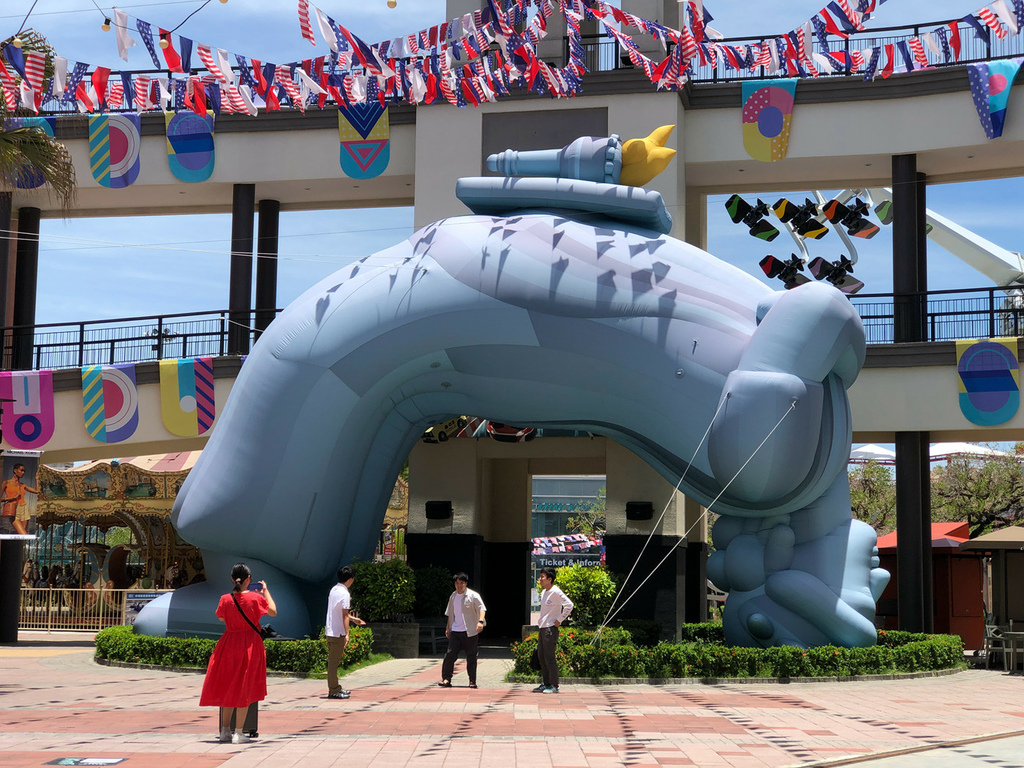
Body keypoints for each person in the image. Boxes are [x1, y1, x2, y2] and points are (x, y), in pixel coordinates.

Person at [199, 563, 277, 744]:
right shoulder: (255, 598)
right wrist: (265, 591)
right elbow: (273, 611)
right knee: (245, 686)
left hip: (228, 644)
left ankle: (225, 730)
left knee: (228, 686)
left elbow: (220, 617)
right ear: (248, 579)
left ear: (232, 579)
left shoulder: (225, 599)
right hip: (250, 645)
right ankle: (239, 732)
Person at [439, 572, 487, 688]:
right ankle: (446, 679)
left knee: (471, 656)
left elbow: (482, 609)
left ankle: (472, 681)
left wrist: (480, 621)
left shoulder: (473, 595)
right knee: (450, 655)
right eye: (457, 583)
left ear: (465, 583)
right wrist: (448, 628)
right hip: (455, 630)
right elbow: (450, 614)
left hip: (470, 631)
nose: (459, 585)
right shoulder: (453, 596)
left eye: (461, 583)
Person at [324, 564, 366, 700]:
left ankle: (336, 688)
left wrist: (353, 619)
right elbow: (344, 615)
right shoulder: (345, 593)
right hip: (337, 632)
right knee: (333, 663)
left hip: (331, 630)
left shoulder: (334, 590)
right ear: (350, 579)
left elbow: (340, 613)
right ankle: (334, 690)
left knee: (333, 662)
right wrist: (347, 634)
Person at [534, 567, 573, 694]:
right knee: (541, 656)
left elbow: (569, 605)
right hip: (542, 627)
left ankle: (554, 685)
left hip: (550, 628)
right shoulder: (544, 592)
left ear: (549, 579)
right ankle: (546, 683)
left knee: (550, 658)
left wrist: (560, 619)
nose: (540, 579)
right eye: (540, 576)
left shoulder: (556, 591)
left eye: (542, 577)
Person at [1, 463, 39, 535]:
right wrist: (13, 498)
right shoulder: (6, 483)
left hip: (24, 508)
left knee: (22, 535)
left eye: (24, 471)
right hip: (13, 509)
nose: (23, 473)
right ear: (15, 470)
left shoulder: (22, 485)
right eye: (21, 470)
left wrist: (36, 479)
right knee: (23, 534)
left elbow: (37, 491)